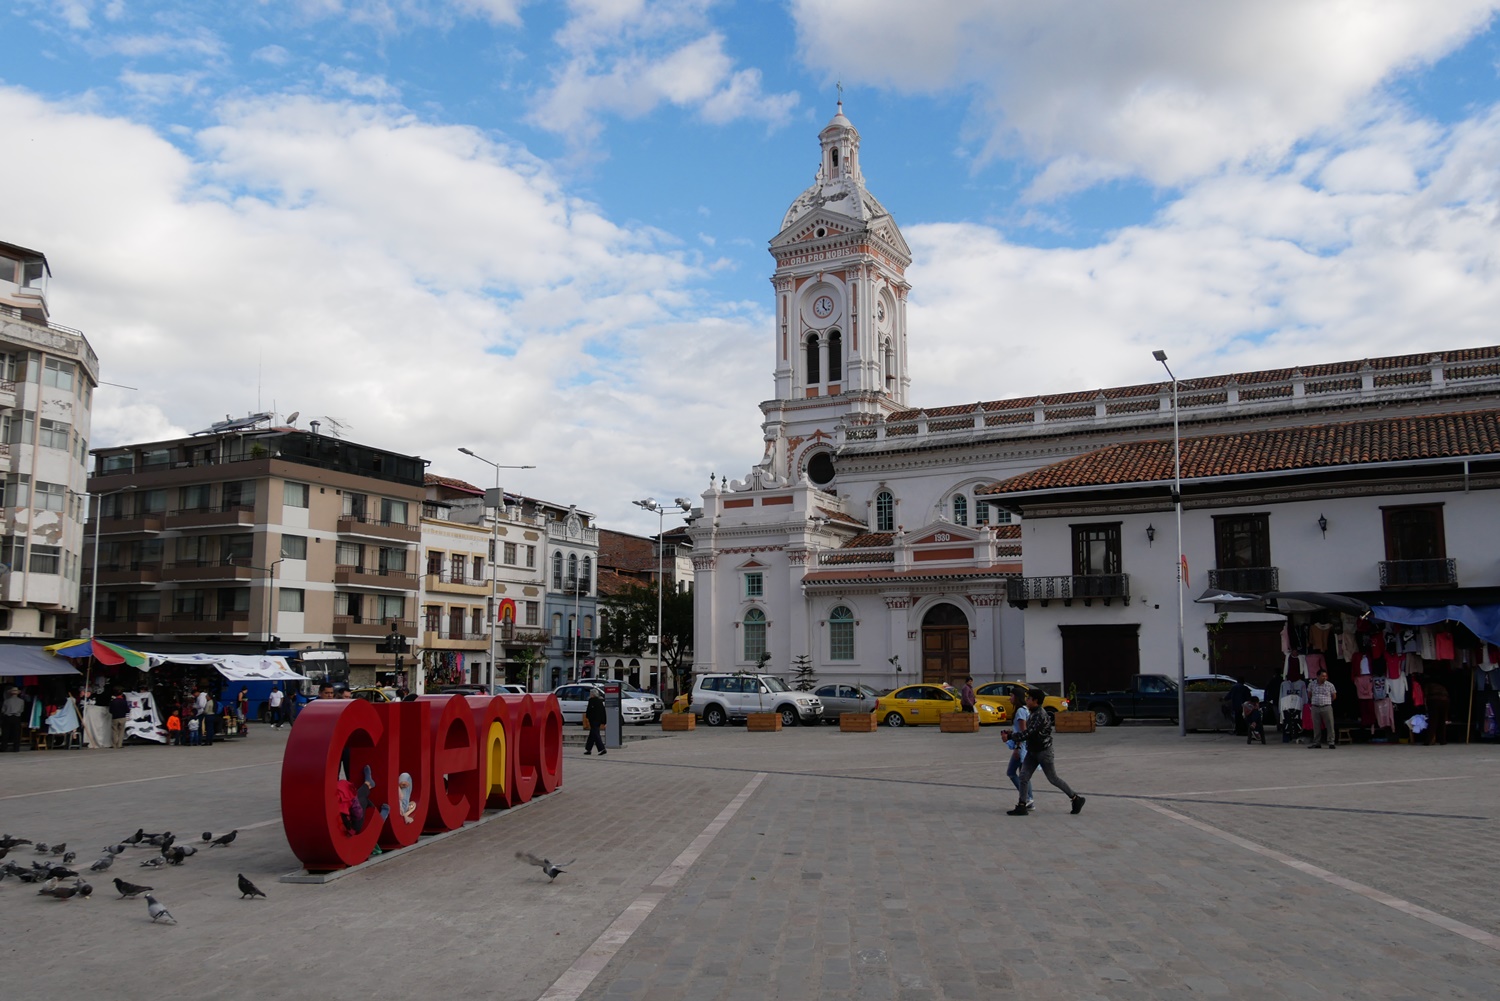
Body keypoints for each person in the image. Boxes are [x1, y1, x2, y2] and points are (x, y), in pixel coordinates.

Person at [1006, 691, 1085, 816]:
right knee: (1023, 776)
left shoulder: (1040, 715)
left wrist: (1011, 736)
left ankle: (1076, 798)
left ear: (1036, 701)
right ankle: (1022, 805)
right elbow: (1028, 733)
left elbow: (1029, 733)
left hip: (1043, 752)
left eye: (1029, 698)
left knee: (1053, 778)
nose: (1027, 700)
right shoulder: (1032, 713)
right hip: (1032, 751)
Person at [1005, 691, 1033, 810]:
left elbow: (1023, 732)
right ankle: (1029, 800)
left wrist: (1017, 748)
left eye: (1012, 695)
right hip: (1024, 746)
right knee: (1024, 775)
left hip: (1022, 747)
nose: (1010, 698)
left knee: (1011, 772)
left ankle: (1027, 797)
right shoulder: (1024, 709)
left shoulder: (1020, 711)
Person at [1307, 668, 1337, 749]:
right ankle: (1317, 742)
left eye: (1325, 676)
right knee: (1316, 726)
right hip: (1315, 707)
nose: (1324, 678)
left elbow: (1334, 696)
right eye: (1322, 676)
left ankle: (1331, 742)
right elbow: (1309, 694)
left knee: (1330, 725)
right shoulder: (1312, 684)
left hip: (1326, 706)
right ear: (1317, 676)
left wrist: (1327, 701)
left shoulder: (1330, 685)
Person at [583, 689, 607, 755]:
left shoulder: (591, 701)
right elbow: (603, 712)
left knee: (596, 734)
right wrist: (604, 721)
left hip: (593, 720)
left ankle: (602, 749)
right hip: (598, 720)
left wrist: (588, 717)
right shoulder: (600, 701)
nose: (590, 695)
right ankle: (588, 749)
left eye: (590, 694)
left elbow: (589, 711)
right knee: (592, 735)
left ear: (592, 694)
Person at [1, 686, 24, 752]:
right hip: (16, 717)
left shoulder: (6, 701)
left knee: (5, 733)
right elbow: (21, 710)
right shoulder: (21, 701)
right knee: (16, 733)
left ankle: (3, 747)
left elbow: (3, 710)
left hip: (8, 717)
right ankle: (16, 748)